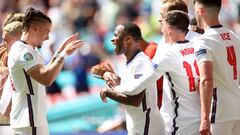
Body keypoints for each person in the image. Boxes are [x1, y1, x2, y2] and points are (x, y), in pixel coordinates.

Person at [113, 10, 201, 135]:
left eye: (163, 26)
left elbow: (137, 87)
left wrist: (115, 88)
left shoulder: (167, 54)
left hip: (182, 122)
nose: (162, 31)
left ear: (169, 29)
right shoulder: (197, 45)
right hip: (203, 115)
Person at [7, 7, 84, 135]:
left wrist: (59, 51)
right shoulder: (24, 51)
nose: (48, 37)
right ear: (35, 28)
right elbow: (46, 79)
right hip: (28, 120)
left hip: (31, 120)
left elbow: (46, 71)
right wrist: (63, 55)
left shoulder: (29, 50)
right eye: (46, 32)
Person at [99, 22, 165, 135]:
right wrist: (107, 75)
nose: (112, 40)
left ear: (128, 40)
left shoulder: (141, 63)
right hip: (138, 124)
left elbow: (135, 100)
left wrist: (108, 93)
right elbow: (126, 86)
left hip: (147, 126)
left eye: (116, 36)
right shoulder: (128, 62)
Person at [193, 0, 240, 134]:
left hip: (220, 112)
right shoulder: (233, 36)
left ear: (201, 11)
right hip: (237, 107)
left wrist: (204, 119)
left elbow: (206, 80)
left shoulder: (204, 41)